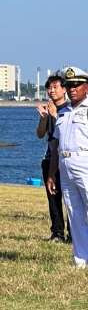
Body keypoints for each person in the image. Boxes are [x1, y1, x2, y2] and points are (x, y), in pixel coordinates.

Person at [48, 66, 88, 268]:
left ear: (86, 87)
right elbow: (55, 144)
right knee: (74, 213)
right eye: (69, 85)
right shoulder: (63, 112)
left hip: (85, 162)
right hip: (65, 164)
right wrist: (52, 174)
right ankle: (80, 260)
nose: (72, 89)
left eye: (77, 85)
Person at [36, 73, 69, 242]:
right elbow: (41, 134)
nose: (51, 91)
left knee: (71, 198)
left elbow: (65, 135)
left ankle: (74, 233)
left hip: (65, 158)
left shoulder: (70, 110)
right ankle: (57, 232)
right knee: (53, 198)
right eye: (49, 88)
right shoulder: (49, 109)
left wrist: (55, 116)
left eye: (55, 87)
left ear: (64, 89)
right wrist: (44, 118)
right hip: (49, 158)